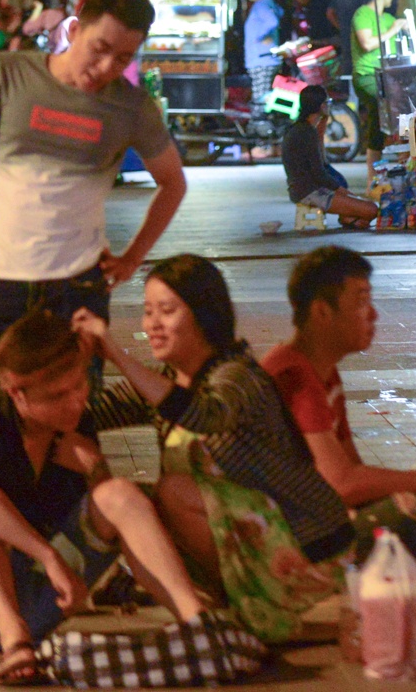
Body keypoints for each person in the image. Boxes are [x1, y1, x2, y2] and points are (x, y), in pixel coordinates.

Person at [0, 309, 258, 686]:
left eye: (79, 386)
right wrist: (48, 556)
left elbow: (107, 510)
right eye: (57, 395)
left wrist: (96, 467)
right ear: (17, 393)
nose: (75, 401)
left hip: (42, 602)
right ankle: (13, 638)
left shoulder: (74, 426)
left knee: (119, 493)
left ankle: (196, 623)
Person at [74, 256, 354, 643]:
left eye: (167, 311)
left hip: (309, 550)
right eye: (147, 311)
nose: (151, 324)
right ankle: (201, 613)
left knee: (171, 490)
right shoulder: (169, 379)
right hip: (252, 545)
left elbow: (204, 415)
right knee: (134, 506)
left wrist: (117, 355)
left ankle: (234, 611)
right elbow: (89, 416)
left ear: (205, 316)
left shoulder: (238, 378)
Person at [0, 0, 186, 403]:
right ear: (74, 31)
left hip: (78, 291)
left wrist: (132, 259)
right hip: (1, 286)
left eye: (124, 57)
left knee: (70, 418)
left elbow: (173, 183)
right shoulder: (7, 73)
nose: (107, 67)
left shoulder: (131, 107)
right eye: (100, 48)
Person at [263, 247, 416, 570]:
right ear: (322, 313)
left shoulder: (324, 373)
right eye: (361, 301)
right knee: (405, 524)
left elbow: (353, 470)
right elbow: (342, 484)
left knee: (410, 515)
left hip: (310, 518)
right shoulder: (294, 376)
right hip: (279, 533)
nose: (373, 314)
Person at [281, 86, 374, 228]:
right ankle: (348, 218)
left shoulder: (303, 128)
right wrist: (344, 192)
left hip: (309, 188)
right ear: (321, 105)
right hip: (310, 192)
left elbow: (321, 158)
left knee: (359, 204)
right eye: (327, 102)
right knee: (372, 210)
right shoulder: (305, 132)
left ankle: (348, 218)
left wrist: (324, 121)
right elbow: (319, 173)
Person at [350, 0, 403, 149]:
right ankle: (373, 166)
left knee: (395, 110)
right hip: (367, 76)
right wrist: (393, 30)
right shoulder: (362, 14)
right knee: (384, 109)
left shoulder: (387, 18)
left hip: (387, 77)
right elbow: (367, 43)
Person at [240, 0, 282, 113]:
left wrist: (261, 36)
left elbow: (272, 21)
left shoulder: (261, 5)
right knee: (263, 96)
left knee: (260, 99)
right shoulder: (266, 3)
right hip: (263, 59)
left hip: (261, 61)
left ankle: (262, 126)